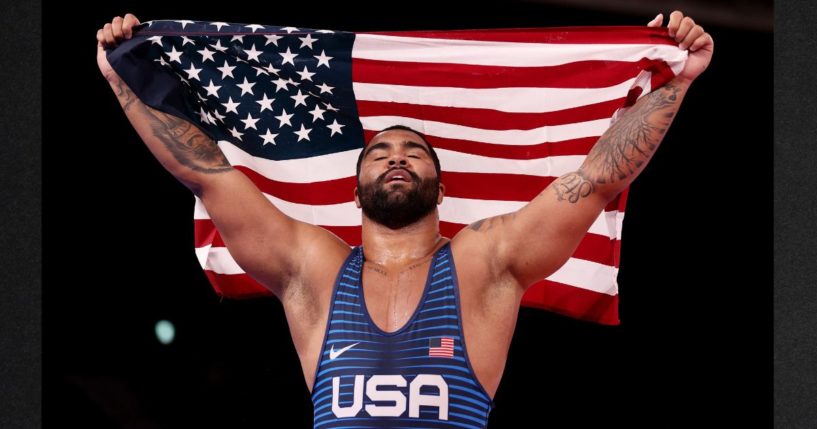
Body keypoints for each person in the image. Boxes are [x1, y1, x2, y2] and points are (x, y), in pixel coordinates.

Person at [96, 11, 713, 428]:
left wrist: (676, 80)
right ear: (356, 190)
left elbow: (599, 179)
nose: (396, 157)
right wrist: (124, 76)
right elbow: (204, 172)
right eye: (380, 154)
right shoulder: (312, 267)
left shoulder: (484, 261)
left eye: (413, 151)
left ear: (440, 186)